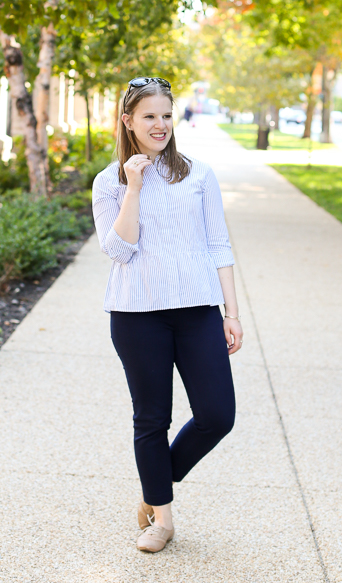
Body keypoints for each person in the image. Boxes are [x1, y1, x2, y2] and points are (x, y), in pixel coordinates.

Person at [92, 76, 243, 554]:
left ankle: (151, 488)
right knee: (152, 419)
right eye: (148, 116)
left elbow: (219, 244)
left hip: (197, 310)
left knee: (218, 415)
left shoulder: (198, 175)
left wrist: (231, 313)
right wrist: (133, 186)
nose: (159, 124)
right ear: (127, 121)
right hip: (137, 315)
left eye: (165, 114)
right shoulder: (108, 182)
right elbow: (118, 249)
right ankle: (163, 518)